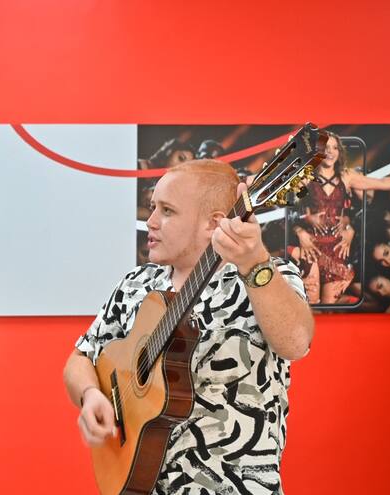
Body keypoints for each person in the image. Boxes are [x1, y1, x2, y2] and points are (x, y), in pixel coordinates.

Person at [63, 160, 314, 494]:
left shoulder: (265, 277)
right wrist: (91, 394)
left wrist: (255, 264)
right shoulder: (136, 283)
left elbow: (296, 343)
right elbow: (82, 357)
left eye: (167, 211)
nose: (150, 221)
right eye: (152, 208)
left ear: (213, 224)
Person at [293, 131, 390, 304]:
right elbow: (287, 209)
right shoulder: (306, 176)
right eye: (326, 147)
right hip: (312, 247)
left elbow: (380, 184)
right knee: (311, 303)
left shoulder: (346, 176)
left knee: (328, 307)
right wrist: (300, 231)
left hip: (338, 250)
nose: (331, 152)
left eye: (335, 147)